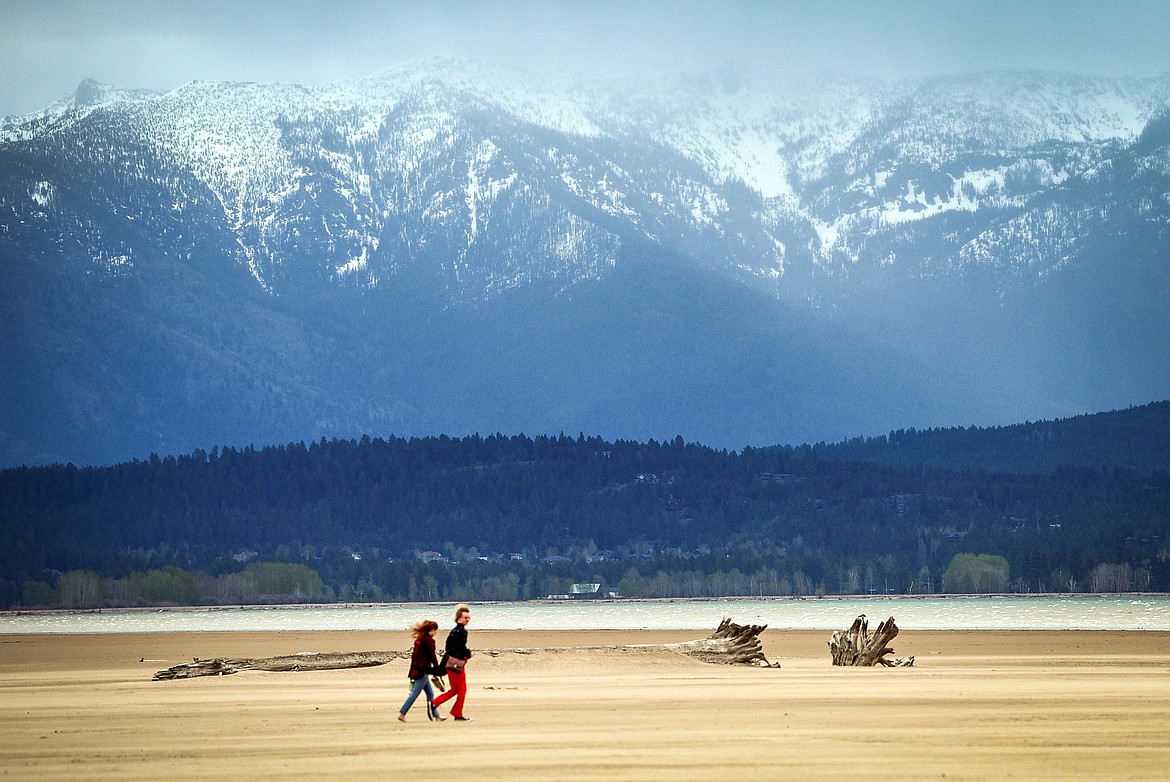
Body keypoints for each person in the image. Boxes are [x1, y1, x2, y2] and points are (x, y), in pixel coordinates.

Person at [398, 619, 445, 722]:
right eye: (435, 630)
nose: (436, 632)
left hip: (417, 669)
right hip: (423, 670)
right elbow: (432, 655)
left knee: (430, 694)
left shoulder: (419, 640)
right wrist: (437, 668)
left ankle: (437, 716)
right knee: (415, 693)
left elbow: (415, 656)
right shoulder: (429, 640)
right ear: (432, 630)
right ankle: (402, 713)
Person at [432, 603, 473, 721]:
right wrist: (467, 654)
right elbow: (459, 648)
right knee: (461, 690)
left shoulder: (454, 631)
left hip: (450, 663)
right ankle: (457, 713)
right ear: (459, 618)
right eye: (466, 618)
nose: (467, 620)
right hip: (456, 663)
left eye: (468, 618)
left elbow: (449, 647)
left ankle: (437, 703)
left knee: (455, 689)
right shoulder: (461, 632)